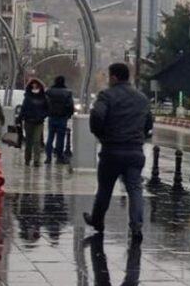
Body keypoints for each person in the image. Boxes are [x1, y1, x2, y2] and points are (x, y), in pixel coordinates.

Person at [83, 64, 153, 241]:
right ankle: (136, 227)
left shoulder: (107, 96)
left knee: (105, 188)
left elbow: (97, 116)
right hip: (134, 152)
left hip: (112, 150)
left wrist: (100, 133)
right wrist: (140, 136)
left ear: (114, 78)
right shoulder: (142, 98)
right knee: (135, 189)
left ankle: (97, 220)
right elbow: (149, 122)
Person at [18, 78, 49, 167]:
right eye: (33, 86)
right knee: (29, 141)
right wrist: (21, 118)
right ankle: (27, 159)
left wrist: (42, 116)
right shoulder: (27, 98)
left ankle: (36, 160)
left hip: (39, 122)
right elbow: (23, 109)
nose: (35, 88)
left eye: (36, 86)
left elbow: (47, 109)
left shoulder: (44, 98)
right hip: (28, 122)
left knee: (36, 141)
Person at [45, 75, 75, 164]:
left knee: (50, 137)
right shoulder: (67, 93)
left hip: (52, 117)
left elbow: (45, 103)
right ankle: (59, 157)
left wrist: (47, 112)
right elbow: (70, 106)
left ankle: (48, 157)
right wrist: (68, 115)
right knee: (60, 138)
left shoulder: (49, 92)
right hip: (62, 118)